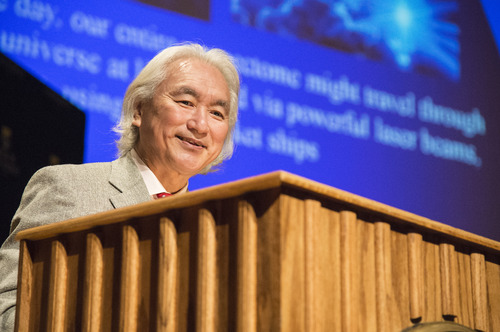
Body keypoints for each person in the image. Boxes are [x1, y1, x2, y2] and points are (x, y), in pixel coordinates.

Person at [0, 42, 240, 330]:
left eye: (217, 113)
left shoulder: (214, 235)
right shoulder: (67, 188)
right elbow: (8, 312)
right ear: (139, 109)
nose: (201, 125)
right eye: (186, 102)